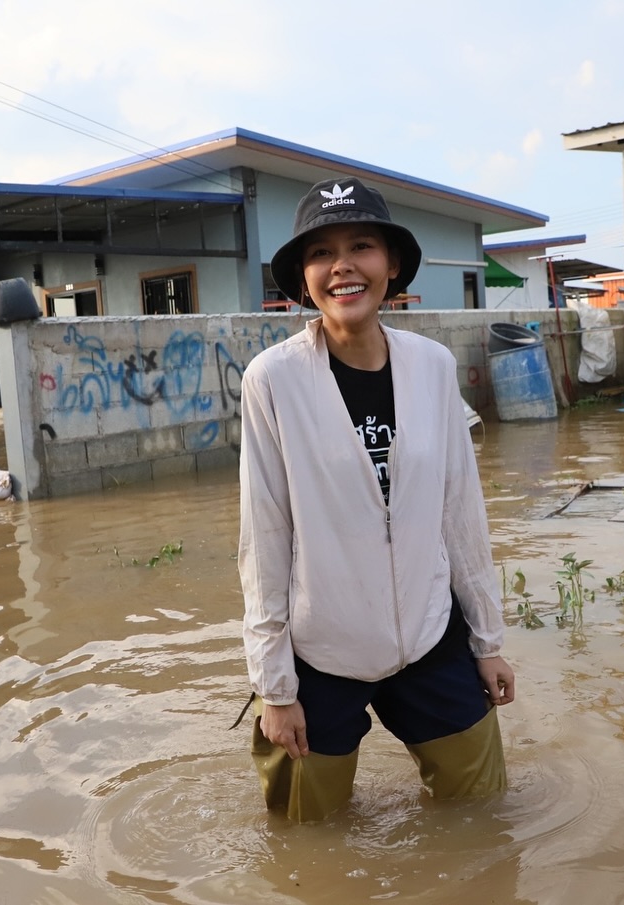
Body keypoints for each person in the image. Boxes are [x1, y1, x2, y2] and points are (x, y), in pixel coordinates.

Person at [238, 176, 515, 822]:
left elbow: (459, 510)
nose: (341, 266)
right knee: (307, 834)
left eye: (360, 245)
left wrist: (486, 639)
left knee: (481, 815)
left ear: (390, 265)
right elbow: (264, 536)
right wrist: (275, 686)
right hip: (321, 648)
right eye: (320, 253)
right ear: (302, 277)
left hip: (428, 635)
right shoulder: (272, 381)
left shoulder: (432, 366)